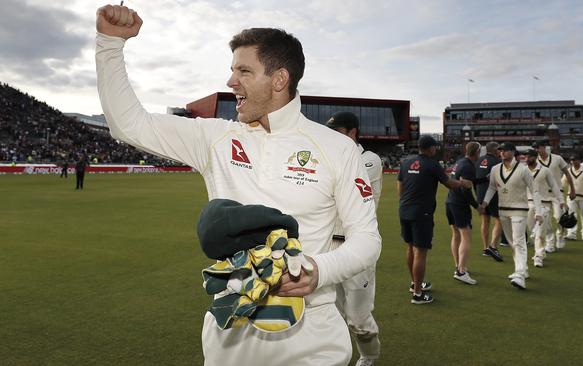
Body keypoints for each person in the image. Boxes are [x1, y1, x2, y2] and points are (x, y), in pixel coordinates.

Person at [95, 5, 381, 366]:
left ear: (279, 80)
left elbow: (367, 239)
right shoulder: (214, 137)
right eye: (232, 70)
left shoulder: (336, 148)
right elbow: (128, 124)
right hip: (231, 333)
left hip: (312, 335)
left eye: (243, 71)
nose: (231, 82)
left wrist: (317, 270)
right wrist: (109, 43)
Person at [326, 111, 382, 366]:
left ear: (352, 132)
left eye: (337, 132)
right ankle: (337, 356)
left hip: (357, 245)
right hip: (329, 246)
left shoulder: (369, 160)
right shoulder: (329, 156)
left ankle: (369, 356)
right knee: (330, 312)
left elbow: (344, 189)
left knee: (358, 317)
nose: (332, 138)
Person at [398, 135, 471, 303]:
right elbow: (449, 184)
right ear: (431, 148)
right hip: (421, 213)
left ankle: (414, 283)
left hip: (404, 210)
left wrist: (406, 203)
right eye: (435, 147)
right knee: (420, 252)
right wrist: (463, 184)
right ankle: (418, 294)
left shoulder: (407, 162)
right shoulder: (432, 164)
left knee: (410, 248)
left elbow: (400, 187)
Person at [480, 142, 543, 290]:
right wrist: (484, 203)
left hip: (519, 210)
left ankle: (519, 274)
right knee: (512, 243)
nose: (502, 152)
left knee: (519, 241)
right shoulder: (495, 169)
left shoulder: (523, 170)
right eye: (500, 150)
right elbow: (491, 188)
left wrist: (539, 212)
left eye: (505, 150)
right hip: (503, 211)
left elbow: (535, 191)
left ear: (513, 152)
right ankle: (523, 269)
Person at [447, 141, 481, 285]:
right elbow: (465, 190)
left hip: (450, 202)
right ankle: (461, 271)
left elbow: (469, 181)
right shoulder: (468, 166)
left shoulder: (460, 162)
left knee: (456, 235)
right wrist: (476, 206)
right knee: (466, 237)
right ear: (477, 152)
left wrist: (486, 178)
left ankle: (458, 266)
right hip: (460, 205)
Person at [533, 140, 575, 252]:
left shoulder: (557, 158)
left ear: (544, 147)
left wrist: (572, 190)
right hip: (543, 195)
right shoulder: (535, 161)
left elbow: (567, 173)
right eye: (535, 148)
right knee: (545, 221)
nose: (537, 150)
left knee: (559, 218)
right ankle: (550, 243)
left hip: (557, 193)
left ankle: (560, 236)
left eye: (538, 147)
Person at [524, 149, 563, 268]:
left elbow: (554, 186)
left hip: (544, 204)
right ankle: (547, 237)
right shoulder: (522, 170)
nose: (526, 159)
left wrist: (561, 200)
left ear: (535, 157)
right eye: (525, 156)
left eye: (529, 156)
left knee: (540, 232)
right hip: (528, 204)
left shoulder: (545, 170)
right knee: (533, 230)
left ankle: (539, 256)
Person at [475, 141, 504, 262]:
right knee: (499, 220)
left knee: (484, 221)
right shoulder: (497, 162)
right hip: (493, 195)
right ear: (495, 150)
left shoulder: (478, 160)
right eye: (499, 149)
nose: (500, 152)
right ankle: (493, 246)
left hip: (480, 194)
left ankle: (485, 248)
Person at [563, 154, 583, 241]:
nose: (573, 162)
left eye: (575, 160)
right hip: (571, 196)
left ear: (579, 160)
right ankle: (571, 234)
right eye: (571, 160)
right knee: (571, 215)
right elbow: (563, 182)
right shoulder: (568, 171)